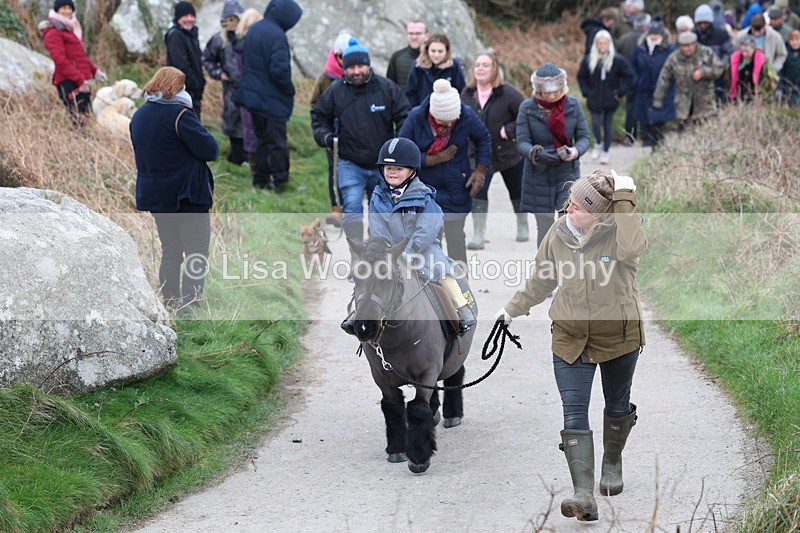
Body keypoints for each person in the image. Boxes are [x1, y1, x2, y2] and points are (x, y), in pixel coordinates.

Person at [494, 169, 646, 523]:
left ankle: (612, 461)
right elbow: (541, 279)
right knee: (574, 412)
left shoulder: (620, 233)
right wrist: (510, 310)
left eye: (578, 206)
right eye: (569, 202)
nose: (568, 209)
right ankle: (583, 494)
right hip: (569, 337)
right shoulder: (559, 233)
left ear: (600, 214)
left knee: (617, 405)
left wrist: (624, 197)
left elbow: (633, 247)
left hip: (618, 337)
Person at [342, 137, 476, 335]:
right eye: (388, 168)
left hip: (423, 248)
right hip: (390, 250)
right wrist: (384, 249)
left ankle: (462, 309)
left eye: (398, 169)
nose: (392, 172)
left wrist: (411, 248)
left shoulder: (424, 196)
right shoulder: (378, 196)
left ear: (412, 171)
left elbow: (429, 226)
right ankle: (358, 313)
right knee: (366, 272)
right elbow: (378, 228)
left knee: (441, 269)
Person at [130, 67, 219, 310]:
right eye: (183, 85)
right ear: (175, 87)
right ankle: (191, 304)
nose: (185, 90)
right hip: (187, 195)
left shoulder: (139, 115)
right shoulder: (180, 115)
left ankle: (170, 304)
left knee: (171, 252)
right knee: (196, 252)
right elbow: (210, 149)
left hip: (156, 196)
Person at [311, 38, 410, 244]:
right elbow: (318, 116)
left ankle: (377, 254)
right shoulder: (335, 91)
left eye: (360, 66)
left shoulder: (386, 88)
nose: (356, 71)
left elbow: (404, 115)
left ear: (368, 65)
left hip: (382, 164)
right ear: (344, 68)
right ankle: (356, 256)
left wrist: (398, 144)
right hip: (349, 162)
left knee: (382, 213)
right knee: (352, 209)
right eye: (351, 67)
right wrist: (326, 137)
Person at [399, 79, 491, 267]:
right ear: (433, 114)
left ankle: (461, 281)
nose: (449, 124)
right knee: (430, 239)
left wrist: (480, 171)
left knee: (456, 237)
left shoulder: (465, 115)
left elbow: (483, 138)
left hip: (456, 185)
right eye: (443, 120)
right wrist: (431, 159)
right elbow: (402, 152)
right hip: (425, 189)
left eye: (452, 120)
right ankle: (433, 281)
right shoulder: (416, 117)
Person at [516, 63, 591, 247]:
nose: (550, 96)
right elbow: (521, 141)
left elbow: (584, 137)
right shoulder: (527, 108)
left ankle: (566, 263)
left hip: (566, 171)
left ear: (562, 87)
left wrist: (573, 151)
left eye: (554, 91)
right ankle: (545, 263)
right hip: (538, 174)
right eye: (545, 92)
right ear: (537, 90)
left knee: (568, 224)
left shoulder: (573, 105)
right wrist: (536, 152)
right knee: (544, 228)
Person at [461, 50, 527, 249]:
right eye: (477, 65)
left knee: (516, 191)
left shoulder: (509, 93)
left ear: (494, 69)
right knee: (477, 191)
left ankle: (522, 223)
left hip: (509, 153)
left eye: (485, 65)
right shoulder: (466, 94)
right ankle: (479, 233)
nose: (480, 68)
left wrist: (508, 130)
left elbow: (525, 115)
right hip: (479, 155)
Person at [235, 0, 303, 192]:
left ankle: (261, 179)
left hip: (253, 98)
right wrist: (289, 90)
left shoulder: (255, 29)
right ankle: (281, 181)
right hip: (272, 99)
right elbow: (280, 71)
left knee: (262, 139)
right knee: (277, 142)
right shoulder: (277, 35)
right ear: (285, 16)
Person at [39, 0, 107, 127]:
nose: (67, 11)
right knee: (79, 122)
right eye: (63, 8)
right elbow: (61, 61)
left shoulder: (70, 28)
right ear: (57, 10)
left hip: (81, 82)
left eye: (69, 8)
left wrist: (95, 71)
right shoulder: (53, 31)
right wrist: (80, 80)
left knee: (86, 120)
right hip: (68, 83)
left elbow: (80, 56)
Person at [310, 31, 352, 227]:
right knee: (334, 170)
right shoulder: (326, 78)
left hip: (356, 133)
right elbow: (315, 104)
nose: (344, 60)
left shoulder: (359, 75)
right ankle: (336, 209)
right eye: (341, 56)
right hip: (333, 133)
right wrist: (324, 128)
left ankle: (352, 209)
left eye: (348, 55)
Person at [577, 30, 633, 165]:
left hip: (610, 98)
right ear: (596, 44)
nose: (602, 46)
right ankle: (598, 142)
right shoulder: (589, 59)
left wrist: (620, 92)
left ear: (609, 44)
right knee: (596, 124)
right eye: (600, 43)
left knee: (608, 125)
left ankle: (606, 151)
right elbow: (581, 76)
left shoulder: (617, 60)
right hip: (594, 98)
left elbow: (629, 76)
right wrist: (586, 92)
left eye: (605, 43)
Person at [652, 31, 724, 132]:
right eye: (683, 46)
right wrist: (658, 99)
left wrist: (703, 73)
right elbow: (664, 79)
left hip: (705, 104)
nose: (686, 49)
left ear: (695, 43)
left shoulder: (706, 53)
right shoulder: (674, 58)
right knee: (684, 132)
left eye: (689, 46)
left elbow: (719, 68)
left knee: (706, 131)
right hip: (683, 105)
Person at [202, 0, 246, 165]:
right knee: (233, 120)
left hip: (250, 87)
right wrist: (218, 73)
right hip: (231, 88)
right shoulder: (219, 40)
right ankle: (237, 157)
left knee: (250, 120)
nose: (231, 22)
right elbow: (207, 59)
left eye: (234, 18)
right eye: (228, 19)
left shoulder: (248, 36)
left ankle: (249, 156)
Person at [629, 19, 676, 146]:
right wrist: (637, 81)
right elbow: (632, 67)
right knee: (644, 120)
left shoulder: (669, 50)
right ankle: (646, 145)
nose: (654, 37)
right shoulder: (640, 49)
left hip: (662, 91)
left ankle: (658, 147)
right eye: (652, 34)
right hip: (643, 90)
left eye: (657, 34)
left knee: (658, 122)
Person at [232, 8, 262, 174]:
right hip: (252, 92)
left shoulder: (239, 45)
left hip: (248, 92)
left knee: (251, 129)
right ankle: (256, 168)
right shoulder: (246, 46)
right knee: (252, 129)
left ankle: (256, 167)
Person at [615, 12, 650, 144]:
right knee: (645, 106)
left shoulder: (623, 39)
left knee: (631, 107)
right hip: (644, 78)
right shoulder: (648, 39)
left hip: (627, 79)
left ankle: (630, 136)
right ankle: (645, 136)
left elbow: (617, 60)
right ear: (646, 25)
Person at [405, 33, 467, 108]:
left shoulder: (454, 66)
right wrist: (417, 111)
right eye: (433, 51)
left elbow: (461, 91)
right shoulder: (418, 65)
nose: (436, 55)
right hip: (423, 110)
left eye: (440, 51)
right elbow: (411, 93)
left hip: (448, 110)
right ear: (427, 50)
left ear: (446, 51)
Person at [165, 1, 204, 118]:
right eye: (185, 16)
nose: (189, 19)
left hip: (194, 91)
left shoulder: (191, 34)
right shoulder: (176, 35)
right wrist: (195, 85)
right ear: (178, 18)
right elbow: (181, 65)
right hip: (183, 90)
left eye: (192, 16)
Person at [694, 3, 736, 102]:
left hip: (718, 76)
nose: (702, 26)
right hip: (699, 76)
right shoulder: (694, 35)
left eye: (705, 23)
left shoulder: (721, 34)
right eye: (700, 23)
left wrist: (721, 64)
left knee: (718, 100)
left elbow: (730, 52)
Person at [727, 34, 780, 102]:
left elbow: (771, 80)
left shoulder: (762, 60)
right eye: (742, 51)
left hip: (757, 95)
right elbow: (728, 77)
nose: (744, 54)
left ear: (754, 49)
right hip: (738, 94)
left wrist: (763, 95)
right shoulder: (735, 60)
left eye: (747, 51)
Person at [386, 20, 429, 89]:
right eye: (411, 33)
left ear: (426, 36)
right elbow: (389, 87)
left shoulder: (434, 57)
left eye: (418, 33)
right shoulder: (397, 57)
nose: (414, 37)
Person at [778, 29, 800, 106]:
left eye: (797, 40)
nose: (794, 42)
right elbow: (780, 70)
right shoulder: (784, 52)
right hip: (786, 85)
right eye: (792, 40)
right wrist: (780, 85)